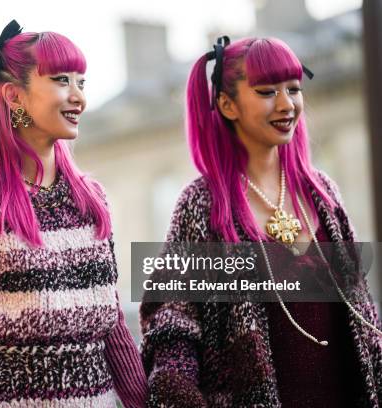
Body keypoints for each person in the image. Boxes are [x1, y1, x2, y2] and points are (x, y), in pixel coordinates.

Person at [140, 36, 382, 407]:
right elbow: (173, 326)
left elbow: (363, 318)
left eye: (294, 89)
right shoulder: (202, 204)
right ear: (227, 104)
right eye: (267, 91)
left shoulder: (323, 193)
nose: (286, 104)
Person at [0, 20, 147, 407]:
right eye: (62, 80)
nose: (78, 96)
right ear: (14, 95)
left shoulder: (91, 199)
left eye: (82, 82)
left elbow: (113, 331)